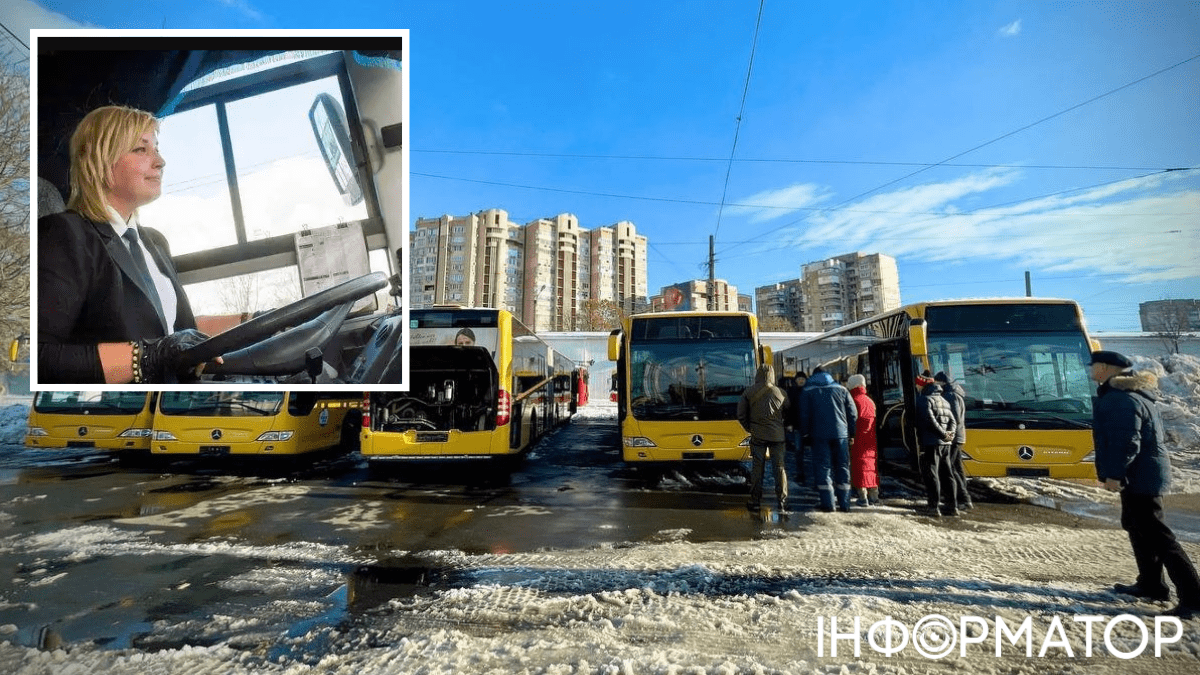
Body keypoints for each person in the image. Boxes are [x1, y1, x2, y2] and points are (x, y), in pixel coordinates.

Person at [38, 105, 217, 384]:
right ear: (102, 161)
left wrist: (257, 322)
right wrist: (144, 358)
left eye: (156, 148)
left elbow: (179, 331)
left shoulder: (155, 241)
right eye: (141, 149)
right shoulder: (65, 235)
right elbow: (40, 358)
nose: (159, 161)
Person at [1090, 350, 1200, 618]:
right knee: (1137, 526)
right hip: (1142, 475)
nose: (1090, 371)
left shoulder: (1120, 399)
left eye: (1093, 366)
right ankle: (1151, 585)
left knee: (1158, 536)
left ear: (1104, 368)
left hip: (1139, 476)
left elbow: (1126, 441)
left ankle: (1194, 598)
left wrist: (1114, 474)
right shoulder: (1125, 395)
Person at [801, 367, 857, 512]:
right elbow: (852, 414)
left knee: (823, 468)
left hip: (818, 435)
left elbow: (804, 415)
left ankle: (828, 504)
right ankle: (845, 504)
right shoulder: (842, 390)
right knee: (843, 466)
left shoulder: (808, 391)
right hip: (841, 434)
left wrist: (805, 434)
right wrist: (852, 434)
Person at [737, 363, 789, 514]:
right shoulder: (781, 392)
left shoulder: (749, 392)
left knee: (757, 468)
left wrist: (750, 428)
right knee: (779, 468)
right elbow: (788, 412)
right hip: (777, 436)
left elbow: (741, 414)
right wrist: (780, 426)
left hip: (758, 435)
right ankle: (782, 502)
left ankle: (755, 501)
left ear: (757, 374)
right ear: (772, 375)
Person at [915, 374, 958, 516]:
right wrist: (948, 436)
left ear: (922, 385)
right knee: (947, 474)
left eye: (918, 384)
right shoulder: (944, 400)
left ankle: (934, 506)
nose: (916, 387)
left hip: (931, 442)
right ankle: (952, 506)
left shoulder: (923, 400)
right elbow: (953, 421)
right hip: (945, 443)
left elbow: (929, 420)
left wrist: (942, 435)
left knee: (932, 474)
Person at [935, 371, 973, 510]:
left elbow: (953, 418)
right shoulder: (956, 394)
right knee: (956, 467)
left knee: (949, 468)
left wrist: (946, 435)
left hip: (953, 437)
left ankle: (961, 499)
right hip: (958, 436)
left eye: (937, 383)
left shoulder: (950, 396)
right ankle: (964, 498)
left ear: (942, 383)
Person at [847, 374, 879, 506]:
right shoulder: (870, 401)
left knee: (858, 466)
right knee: (871, 466)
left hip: (857, 439)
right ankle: (874, 496)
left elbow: (851, 421)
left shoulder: (853, 400)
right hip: (870, 439)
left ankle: (862, 497)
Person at [783, 371, 808, 486]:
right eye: (799, 380)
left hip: (806, 427)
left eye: (802, 379)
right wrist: (789, 423)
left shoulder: (797, 391)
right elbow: (788, 410)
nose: (801, 381)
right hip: (799, 426)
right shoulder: (793, 392)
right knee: (799, 452)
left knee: (801, 451)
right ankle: (801, 474)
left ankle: (803, 474)